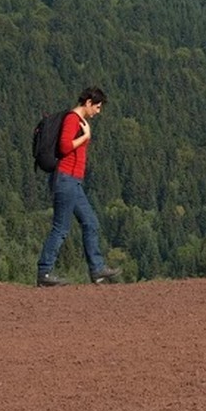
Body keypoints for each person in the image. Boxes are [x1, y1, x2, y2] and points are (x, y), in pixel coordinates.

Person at [36, 87, 121, 287]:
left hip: (73, 182)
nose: (98, 112)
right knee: (61, 228)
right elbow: (65, 146)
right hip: (65, 180)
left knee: (90, 222)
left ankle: (97, 269)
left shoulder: (78, 120)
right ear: (88, 102)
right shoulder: (72, 119)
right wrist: (86, 137)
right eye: (97, 107)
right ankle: (44, 272)